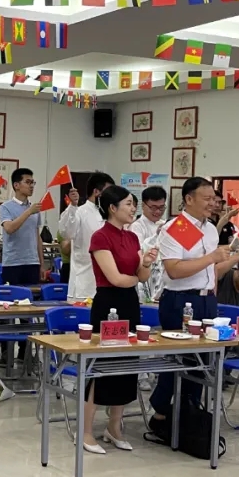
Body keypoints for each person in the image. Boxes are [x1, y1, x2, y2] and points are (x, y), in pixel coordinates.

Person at [149, 177, 239, 427]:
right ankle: (161, 414)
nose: (212, 203)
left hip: (206, 300)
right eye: (207, 198)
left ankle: (190, 410)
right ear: (188, 199)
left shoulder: (210, 229)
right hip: (180, 300)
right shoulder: (176, 227)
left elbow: (210, 269)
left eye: (214, 199)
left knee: (201, 361)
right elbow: (174, 270)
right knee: (178, 359)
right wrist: (211, 257)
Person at [81, 185, 156, 454]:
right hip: (108, 304)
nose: (133, 208)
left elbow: (142, 277)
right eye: (128, 204)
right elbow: (114, 278)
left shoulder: (133, 238)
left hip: (130, 303)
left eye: (133, 204)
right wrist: (135, 277)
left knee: (126, 367)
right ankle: (86, 431)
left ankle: (114, 427)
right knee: (100, 369)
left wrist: (146, 263)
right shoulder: (100, 237)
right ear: (112, 208)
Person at [61, 173, 115, 300]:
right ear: (96, 192)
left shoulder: (109, 214)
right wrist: (72, 206)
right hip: (84, 281)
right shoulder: (79, 212)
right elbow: (67, 233)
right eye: (108, 191)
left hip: (108, 281)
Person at [0, 168, 49, 287]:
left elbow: (37, 237)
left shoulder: (34, 209)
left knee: (32, 296)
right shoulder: (5, 207)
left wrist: (42, 264)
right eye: (28, 182)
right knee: (13, 296)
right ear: (16, 185)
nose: (31, 186)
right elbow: (9, 229)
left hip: (32, 262)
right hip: (12, 263)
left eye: (33, 183)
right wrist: (28, 212)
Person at [129, 186, 167, 303]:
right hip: (145, 279)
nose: (158, 211)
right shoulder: (136, 226)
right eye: (153, 207)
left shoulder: (165, 224)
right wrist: (156, 235)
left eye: (161, 207)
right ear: (143, 205)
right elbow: (140, 252)